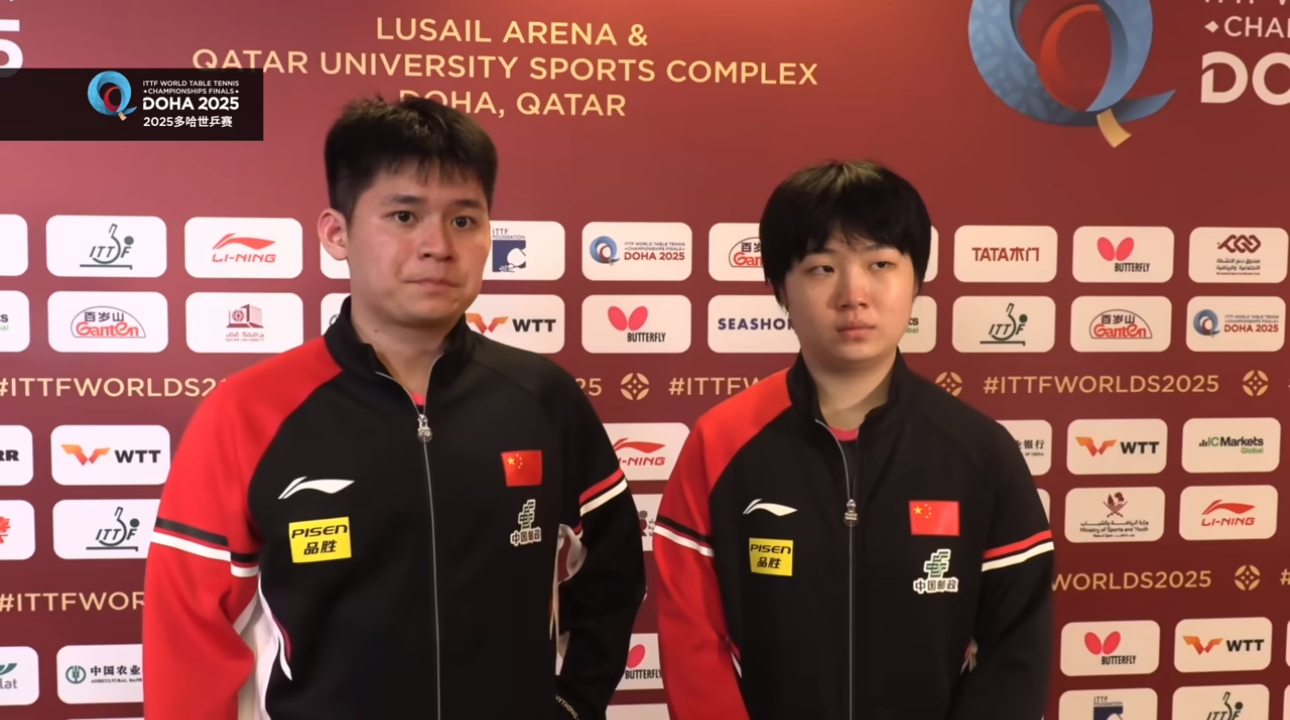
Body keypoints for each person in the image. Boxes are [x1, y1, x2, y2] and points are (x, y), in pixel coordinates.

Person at [142, 96, 647, 719]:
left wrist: (572, 705)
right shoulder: (247, 413)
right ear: (337, 233)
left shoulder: (544, 398)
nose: (438, 245)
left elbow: (614, 575)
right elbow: (188, 636)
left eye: (464, 220)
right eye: (404, 215)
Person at [652, 160, 1054, 719]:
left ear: (916, 281)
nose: (853, 294)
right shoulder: (719, 443)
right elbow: (691, 636)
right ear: (780, 288)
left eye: (880, 264)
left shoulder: (980, 453)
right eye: (821, 268)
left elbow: (1016, 653)